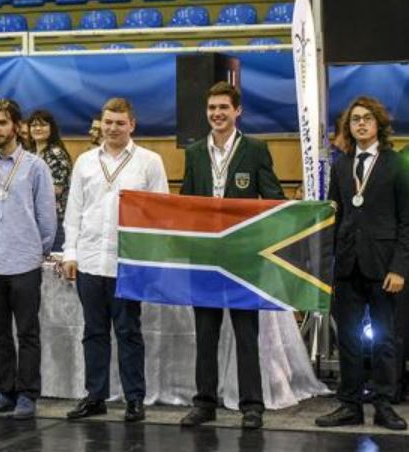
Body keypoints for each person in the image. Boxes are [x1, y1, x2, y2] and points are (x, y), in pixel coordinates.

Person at [179, 82, 285, 430]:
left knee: (246, 334)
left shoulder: (255, 149)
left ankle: (252, 405)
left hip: (243, 259)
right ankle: (204, 402)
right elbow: (185, 203)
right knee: (205, 334)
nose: (217, 114)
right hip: (206, 259)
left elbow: (273, 200)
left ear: (238, 111)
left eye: (223, 107)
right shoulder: (194, 152)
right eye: (212, 108)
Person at [61, 98, 170, 421]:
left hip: (128, 263)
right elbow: (74, 211)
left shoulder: (149, 162)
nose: (112, 128)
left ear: (132, 125)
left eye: (119, 123)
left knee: (128, 332)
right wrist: (70, 252)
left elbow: (160, 215)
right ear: (101, 123)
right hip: (90, 260)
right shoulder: (85, 161)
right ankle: (95, 396)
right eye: (108, 122)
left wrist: (152, 261)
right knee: (93, 331)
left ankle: (135, 398)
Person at [315, 96, 408, 431]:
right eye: (355, 120)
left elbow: (406, 222)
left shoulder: (395, 164)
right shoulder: (342, 165)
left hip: (384, 268)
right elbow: (335, 217)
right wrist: (328, 264)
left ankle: (385, 404)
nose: (361, 124)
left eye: (367, 118)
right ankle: (349, 404)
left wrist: (400, 267)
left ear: (378, 124)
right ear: (348, 127)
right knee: (349, 340)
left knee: (385, 339)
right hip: (347, 266)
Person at [0, 99, 57, 420]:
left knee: (27, 332)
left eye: (3, 123)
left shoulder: (36, 167)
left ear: (17, 127)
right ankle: (3, 392)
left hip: (24, 262)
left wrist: (36, 249)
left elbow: (47, 217)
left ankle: (27, 394)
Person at [27, 110, 72, 252]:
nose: (38, 128)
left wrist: (26, 195)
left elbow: (56, 190)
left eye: (43, 125)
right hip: (32, 219)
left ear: (51, 129)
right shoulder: (29, 154)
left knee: (54, 268)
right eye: (34, 125)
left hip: (54, 220)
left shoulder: (56, 153)